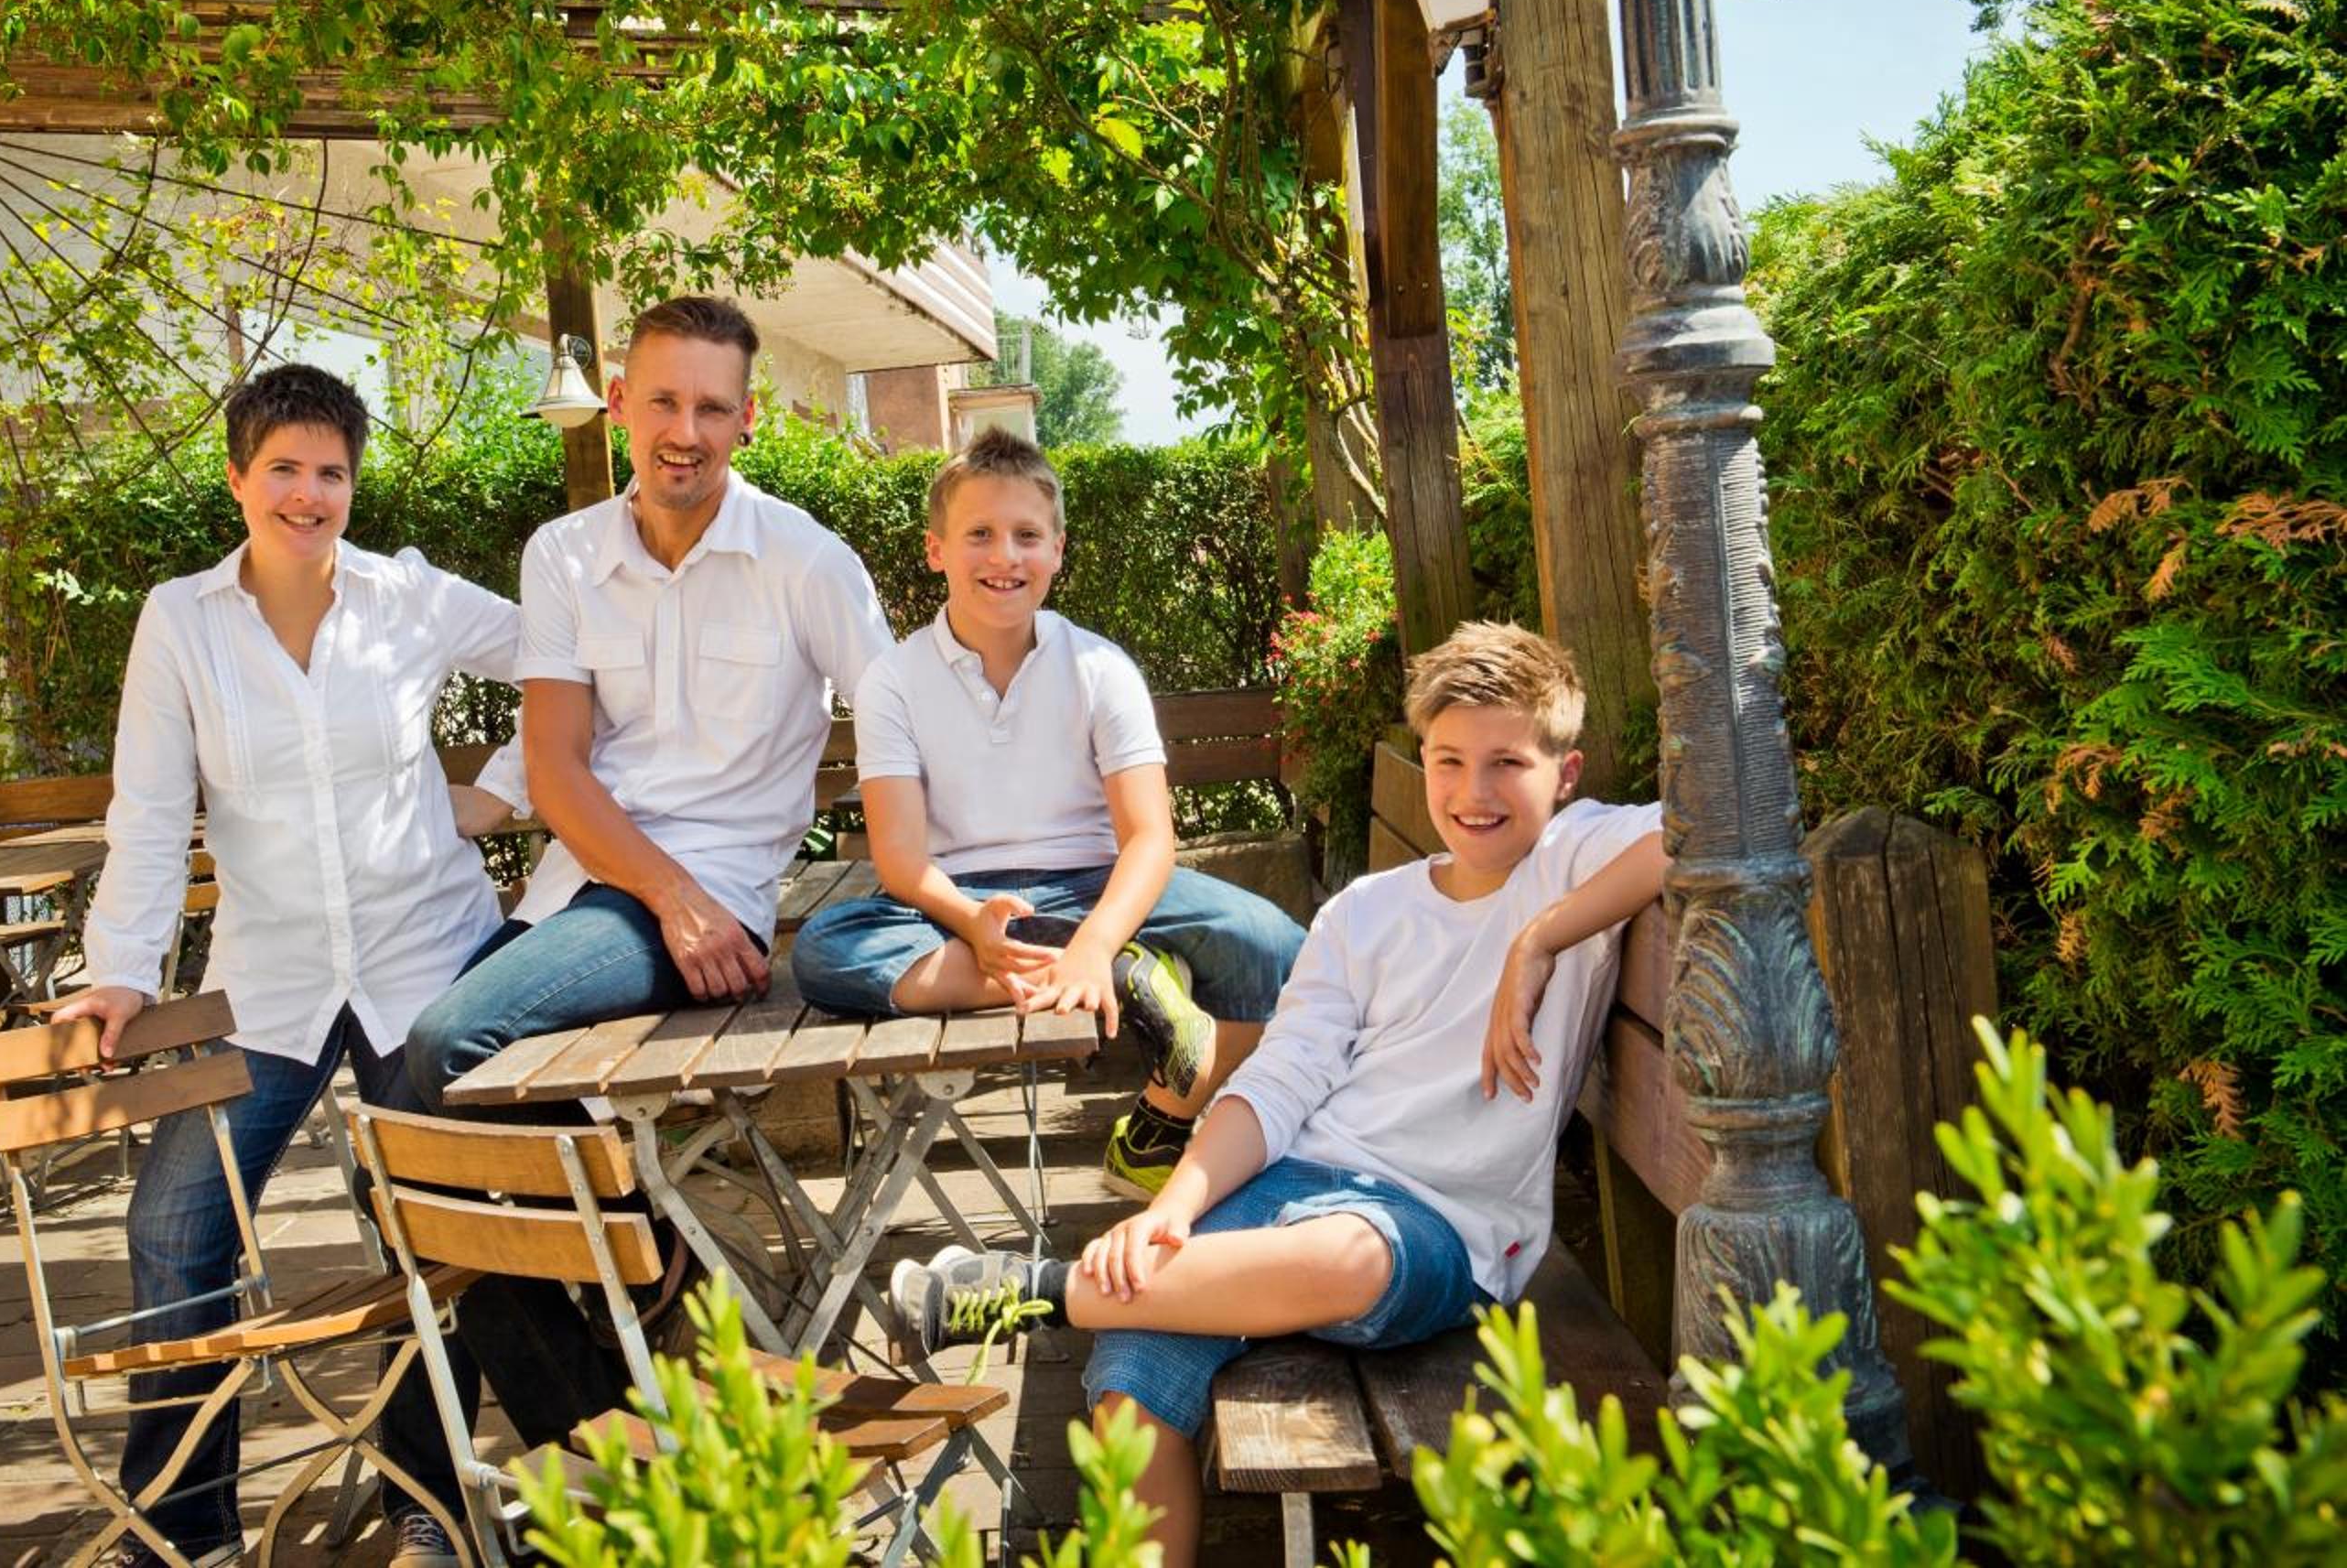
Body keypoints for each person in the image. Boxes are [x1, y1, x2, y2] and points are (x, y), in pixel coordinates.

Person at [888, 621, 1665, 1568]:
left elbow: (1700, 832)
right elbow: (1279, 1078)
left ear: (1566, 773)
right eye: (1449, 761)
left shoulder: (1573, 857)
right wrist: (1172, 1207)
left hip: (1440, 1225)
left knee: (1352, 1258)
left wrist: (1539, 940)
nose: (1474, 793)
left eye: (1508, 763)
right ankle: (1073, 1297)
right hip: (1289, 1182)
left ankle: (1037, 1290)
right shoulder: (1364, 912)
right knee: (1130, 1389)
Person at [49, 364, 524, 1568]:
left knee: (434, 1233)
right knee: (174, 1230)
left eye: (330, 472)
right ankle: (183, 1529)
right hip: (268, 981)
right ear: (237, 478)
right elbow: (150, 810)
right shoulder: (181, 621)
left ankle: (429, 1502)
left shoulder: (410, 598)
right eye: (284, 469)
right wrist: (121, 968)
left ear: (352, 485)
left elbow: (575, 667)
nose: (308, 494)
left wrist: (504, 792)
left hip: (426, 963)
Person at [789, 427, 1307, 1197]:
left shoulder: (1099, 666)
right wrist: (973, 923)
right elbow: (900, 861)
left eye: (1027, 536)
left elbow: (1149, 838)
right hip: (959, 898)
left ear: (1057, 550)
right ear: (936, 550)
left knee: (1280, 947)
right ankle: (1128, 976)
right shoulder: (893, 681)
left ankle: (1160, 1123)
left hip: (1095, 883)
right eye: (979, 534)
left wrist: (1097, 935)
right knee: (823, 951)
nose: (1005, 556)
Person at [412, 292, 892, 1099]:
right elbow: (554, 767)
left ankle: (635, 1177)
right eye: (664, 401)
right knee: (411, 1092)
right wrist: (670, 900)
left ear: (747, 419)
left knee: (449, 1048)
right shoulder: (563, 556)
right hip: (584, 889)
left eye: (713, 408)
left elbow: (899, 726)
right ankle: (640, 1182)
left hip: (716, 899)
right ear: (619, 401)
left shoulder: (807, 562)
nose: (685, 433)